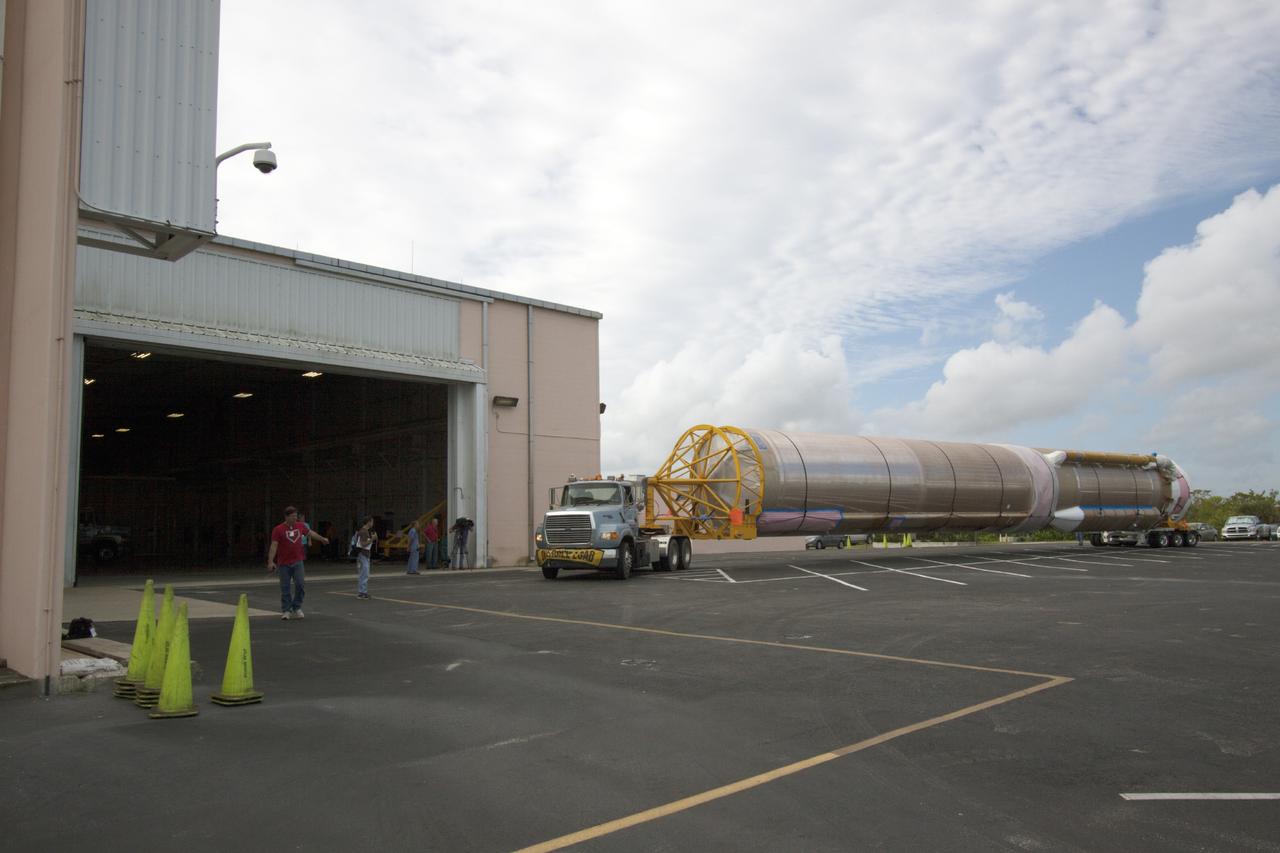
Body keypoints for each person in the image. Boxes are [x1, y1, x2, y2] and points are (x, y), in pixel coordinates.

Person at [268, 506, 328, 620]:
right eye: (293, 516)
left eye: (296, 516)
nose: (295, 518)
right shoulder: (278, 529)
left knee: (300, 584)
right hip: (284, 563)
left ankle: (297, 606)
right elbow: (274, 545)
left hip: (298, 561)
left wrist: (322, 539)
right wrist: (270, 561)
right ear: (286, 517)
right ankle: (286, 609)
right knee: (285, 587)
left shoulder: (300, 526)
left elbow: (311, 533)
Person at [352, 516, 377, 599]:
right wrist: (372, 539)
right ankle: (363, 592)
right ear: (368, 522)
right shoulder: (364, 532)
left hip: (362, 554)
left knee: (362, 574)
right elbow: (363, 544)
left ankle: (362, 591)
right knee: (365, 574)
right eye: (372, 522)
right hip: (363, 554)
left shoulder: (363, 531)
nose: (373, 523)